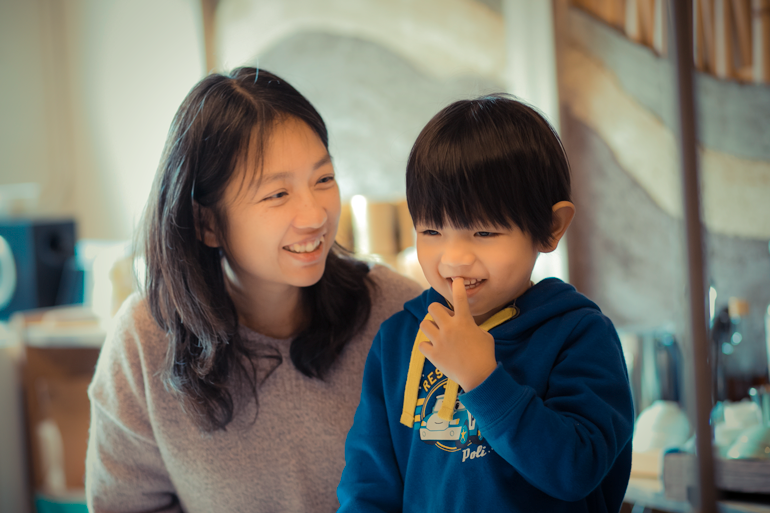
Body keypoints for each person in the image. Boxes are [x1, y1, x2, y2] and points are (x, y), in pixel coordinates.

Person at [85, 67, 422, 512]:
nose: (315, 215)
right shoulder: (145, 342)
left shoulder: (397, 311)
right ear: (207, 222)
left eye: (323, 179)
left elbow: (450, 480)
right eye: (277, 194)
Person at [337, 95, 635, 512]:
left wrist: (483, 379)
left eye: (484, 233)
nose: (453, 259)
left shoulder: (579, 334)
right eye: (432, 230)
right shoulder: (399, 339)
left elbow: (576, 471)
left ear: (550, 228)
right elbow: (369, 488)